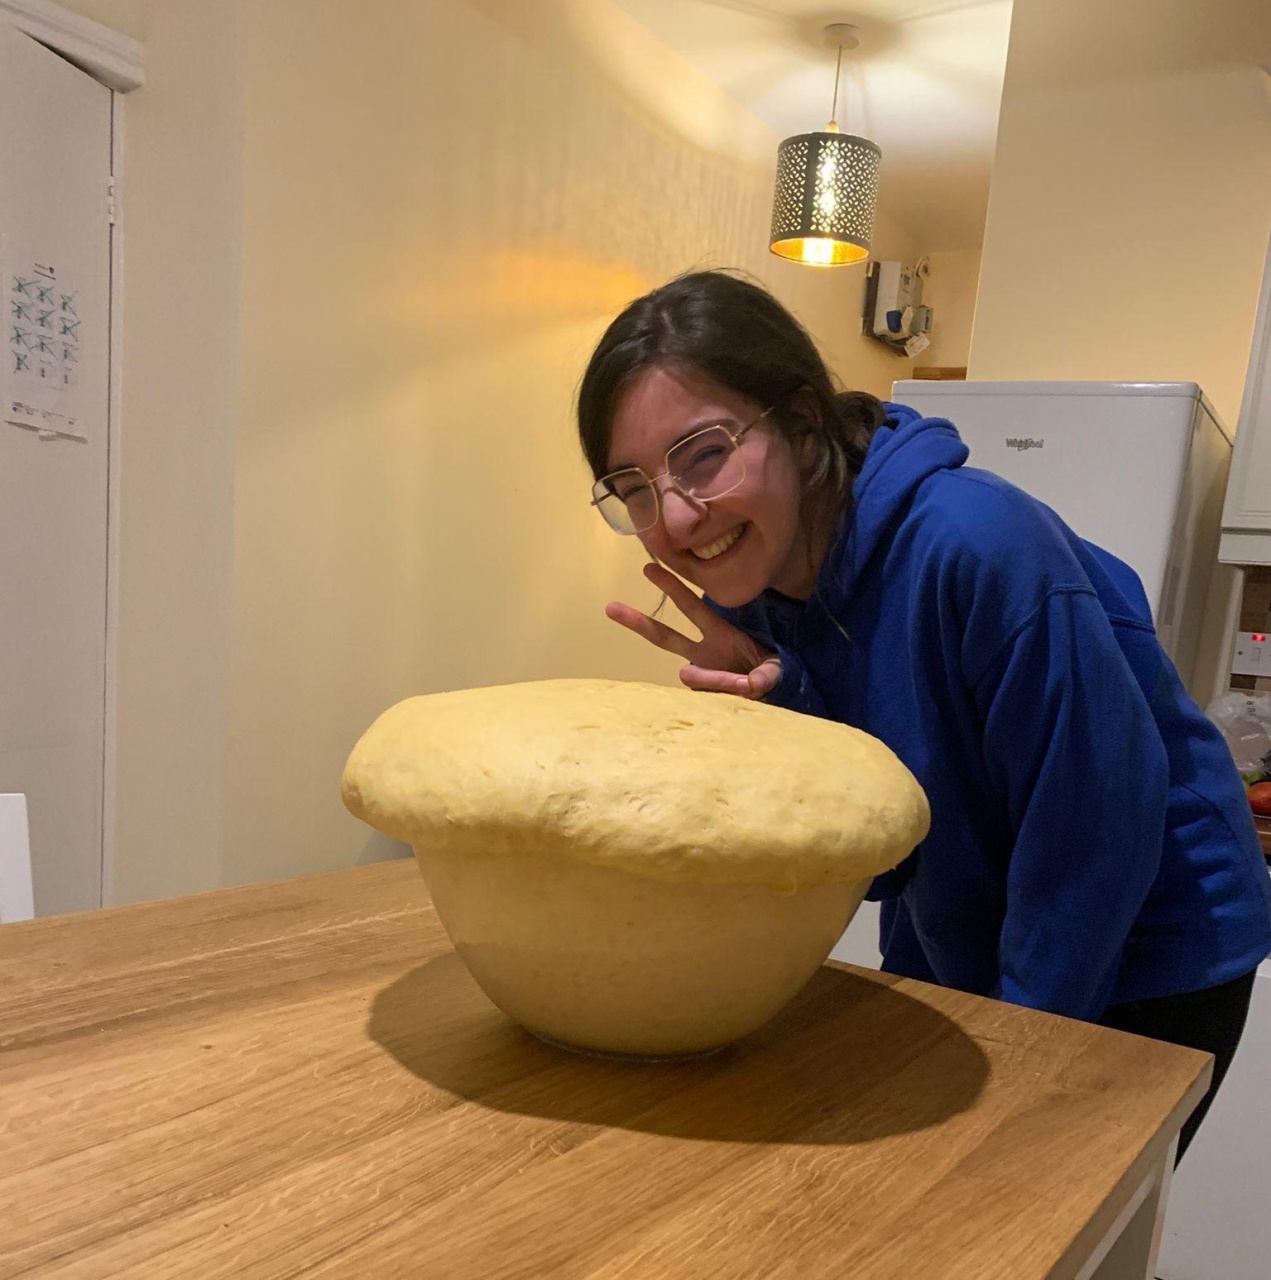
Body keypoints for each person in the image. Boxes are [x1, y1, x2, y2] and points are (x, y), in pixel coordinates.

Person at [576, 268, 1271, 1160]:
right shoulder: (752, 600)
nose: (672, 515)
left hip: (1149, 940)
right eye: (630, 486)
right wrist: (786, 711)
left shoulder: (974, 543)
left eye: (704, 452)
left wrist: (1021, 1053)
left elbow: (1096, 827)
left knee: (1048, 1217)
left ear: (798, 421)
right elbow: (879, 862)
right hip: (968, 912)